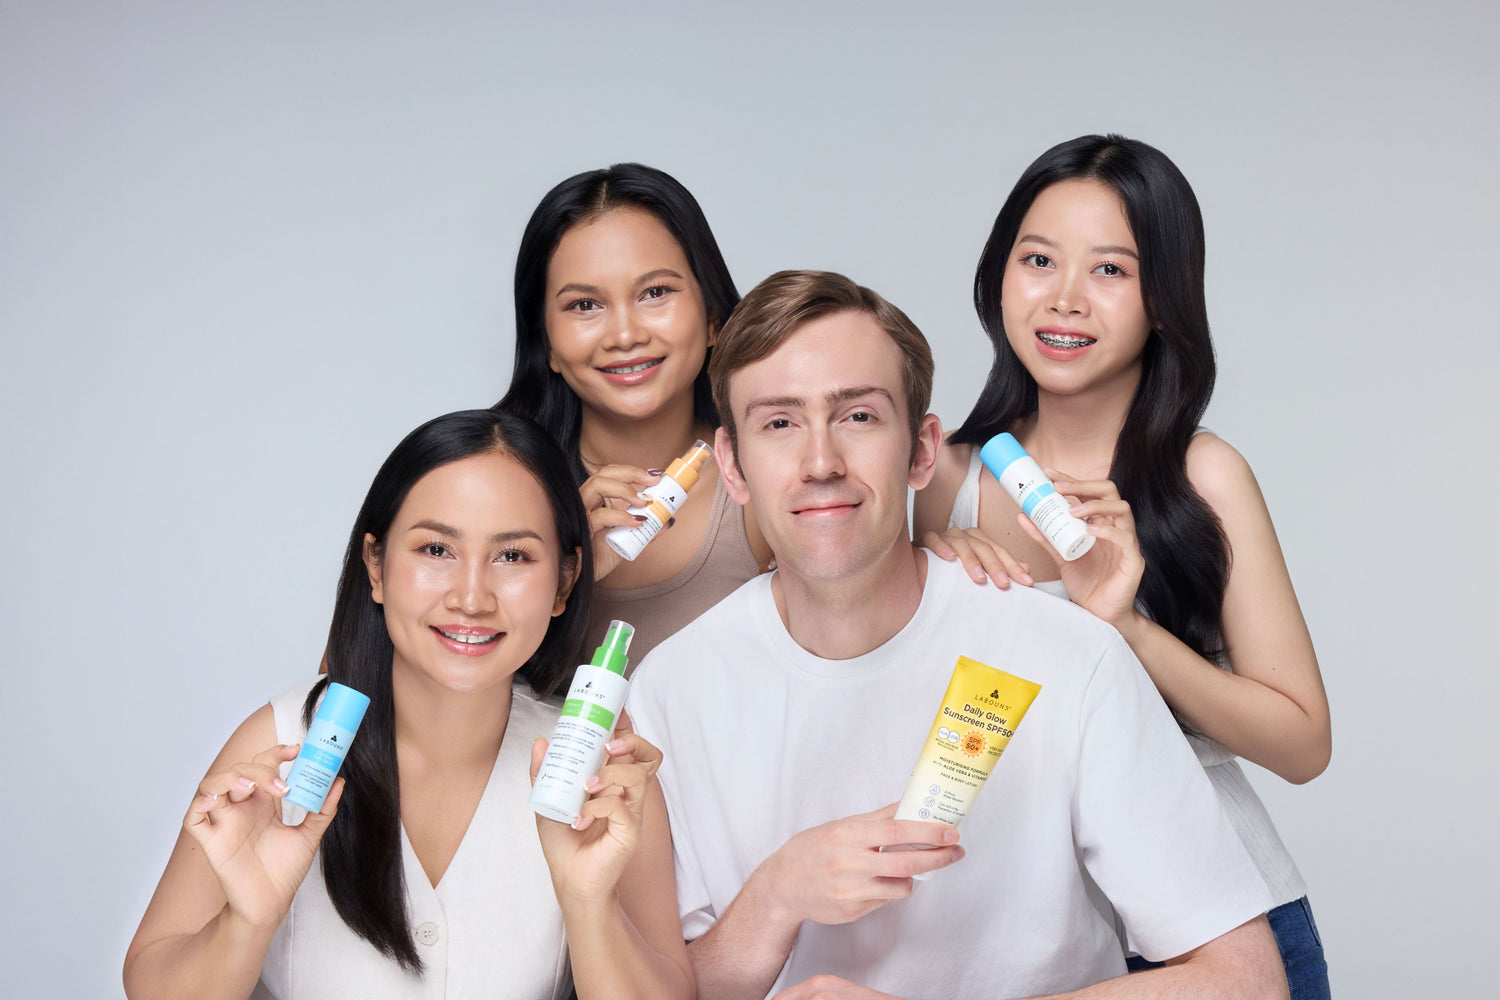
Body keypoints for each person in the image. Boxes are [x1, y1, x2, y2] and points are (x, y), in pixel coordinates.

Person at [627, 270, 1288, 999]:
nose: (821, 463)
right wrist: (776, 895)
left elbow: (1246, 981)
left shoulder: (1070, 656)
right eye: (779, 423)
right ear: (732, 464)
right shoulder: (671, 687)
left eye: (858, 417)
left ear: (920, 451)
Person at [914, 135, 1331, 997]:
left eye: (1111, 270)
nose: (1065, 299)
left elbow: (1302, 744)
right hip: (1012, 926)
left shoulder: (1203, 475)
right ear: (998, 278)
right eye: (1038, 260)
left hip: (1217, 921)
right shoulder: (940, 479)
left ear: (1164, 300)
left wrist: (1128, 629)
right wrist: (928, 563)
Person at [124, 409, 692, 1000]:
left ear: (565, 582)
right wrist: (245, 922)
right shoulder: (279, 742)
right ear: (376, 566)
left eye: (514, 556)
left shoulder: (603, 774)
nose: (471, 598)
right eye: (435, 549)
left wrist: (590, 905)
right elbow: (151, 983)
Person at [497, 163, 773, 664]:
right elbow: (349, 682)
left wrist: (946, 561)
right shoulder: (487, 486)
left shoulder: (771, 483)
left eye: (655, 293)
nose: (624, 335)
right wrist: (555, 575)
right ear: (548, 346)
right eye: (584, 305)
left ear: (713, 318)